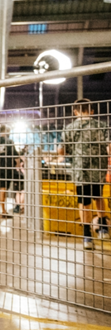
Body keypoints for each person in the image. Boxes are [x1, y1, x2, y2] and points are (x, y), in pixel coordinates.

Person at [61, 98, 110, 250]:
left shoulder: (70, 128)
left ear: (75, 112)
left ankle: (87, 236)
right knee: (98, 196)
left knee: (84, 202)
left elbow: (64, 150)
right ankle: (103, 227)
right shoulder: (102, 126)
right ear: (92, 111)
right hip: (98, 170)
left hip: (80, 171)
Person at [0, 125, 19, 220]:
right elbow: (15, 154)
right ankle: (3, 211)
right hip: (8, 167)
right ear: (6, 132)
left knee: (2, 188)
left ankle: (3, 209)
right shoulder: (9, 142)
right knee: (5, 189)